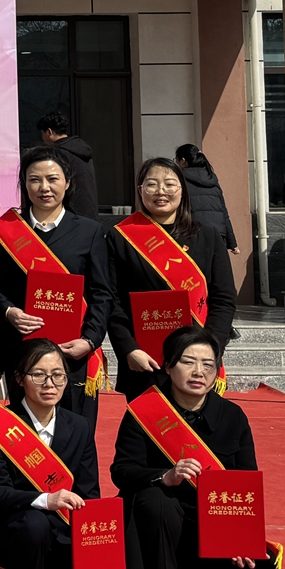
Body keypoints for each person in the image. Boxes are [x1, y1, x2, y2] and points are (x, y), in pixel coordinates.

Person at [111, 326, 281, 569]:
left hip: (212, 528)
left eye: (208, 364)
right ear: (168, 366)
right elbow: (122, 470)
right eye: (188, 362)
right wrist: (164, 476)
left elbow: (245, 485)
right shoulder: (144, 411)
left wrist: (240, 540)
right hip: (158, 525)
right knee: (155, 499)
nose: (198, 371)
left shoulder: (233, 416)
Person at [0, 340, 121, 569]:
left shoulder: (80, 426)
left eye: (58, 375)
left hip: (63, 536)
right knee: (35, 523)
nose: (49, 384)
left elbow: (89, 496)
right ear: (20, 378)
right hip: (16, 531)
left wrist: (101, 561)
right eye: (39, 375)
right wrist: (45, 499)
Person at [0, 146, 115, 423]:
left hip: (73, 353)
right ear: (24, 184)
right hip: (23, 353)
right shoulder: (8, 232)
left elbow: (101, 293)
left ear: (67, 183)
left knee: (75, 432)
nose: (44, 187)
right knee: (27, 431)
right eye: (35, 179)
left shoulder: (89, 231)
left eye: (53, 179)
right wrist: (9, 312)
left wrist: (89, 340)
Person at [107, 158, 239, 399]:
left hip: (198, 359)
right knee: (149, 421)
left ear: (182, 190)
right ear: (140, 190)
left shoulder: (207, 236)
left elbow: (224, 298)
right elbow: (113, 301)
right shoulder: (120, 237)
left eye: (169, 184)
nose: (161, 191)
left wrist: (209, 348)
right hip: (145, 360)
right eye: (152, 184)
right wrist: (129, 349)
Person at [175, 145, 241, 255]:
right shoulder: (213, 181)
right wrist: (232, 243)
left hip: (192, 236)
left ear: (183, 161)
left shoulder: (179, 181)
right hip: (218, 236)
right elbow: (223, 213)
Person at [37, 111, 99, 219]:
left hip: (71, 216)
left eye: (42, 133)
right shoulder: (81, 150)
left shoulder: (56, 154)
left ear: (49, 132)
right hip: (89, 213)